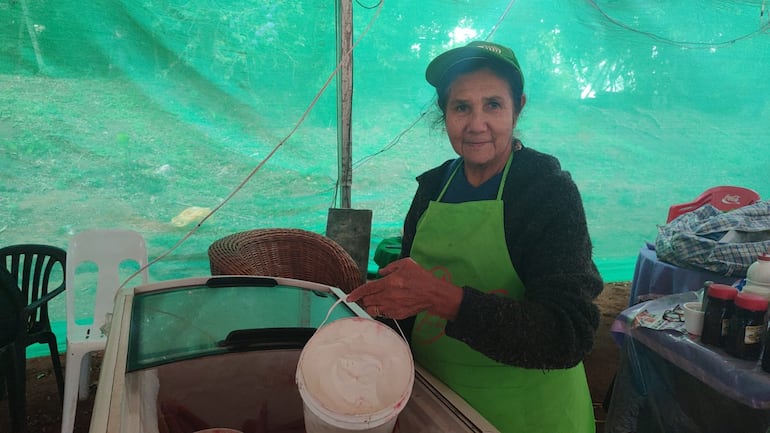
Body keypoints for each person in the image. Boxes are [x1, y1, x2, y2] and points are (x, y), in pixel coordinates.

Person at [346, 40, 603, 433]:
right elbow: (412, 303)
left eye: (493, 105)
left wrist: (441, 297)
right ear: (444, 113)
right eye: (461, 107)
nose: (476, 124)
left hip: (527, 414)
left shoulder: (546, 193)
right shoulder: (433, 188)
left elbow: (569, 332)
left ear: (518, 107)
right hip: (434, 402)